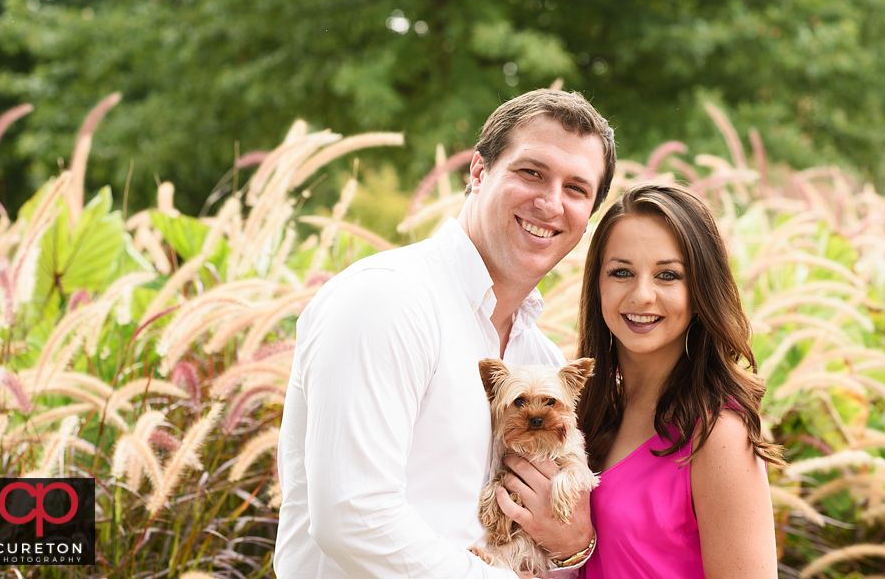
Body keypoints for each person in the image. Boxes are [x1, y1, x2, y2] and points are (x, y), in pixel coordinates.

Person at [274, 89, 617, 578]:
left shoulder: (538, 356)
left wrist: (573, 546)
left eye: (577, 189)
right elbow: (352, 516)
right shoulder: (388, 300)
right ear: (478, 172)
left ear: (587, 217)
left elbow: (544, 536)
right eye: (531, 172)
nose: (550, 202)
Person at [571, 183, 786, 578]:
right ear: (597, 284)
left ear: (701, 289)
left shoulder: (717, 434)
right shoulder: (581, 412)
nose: (641, 295)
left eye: (668, 275)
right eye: (621, 272)